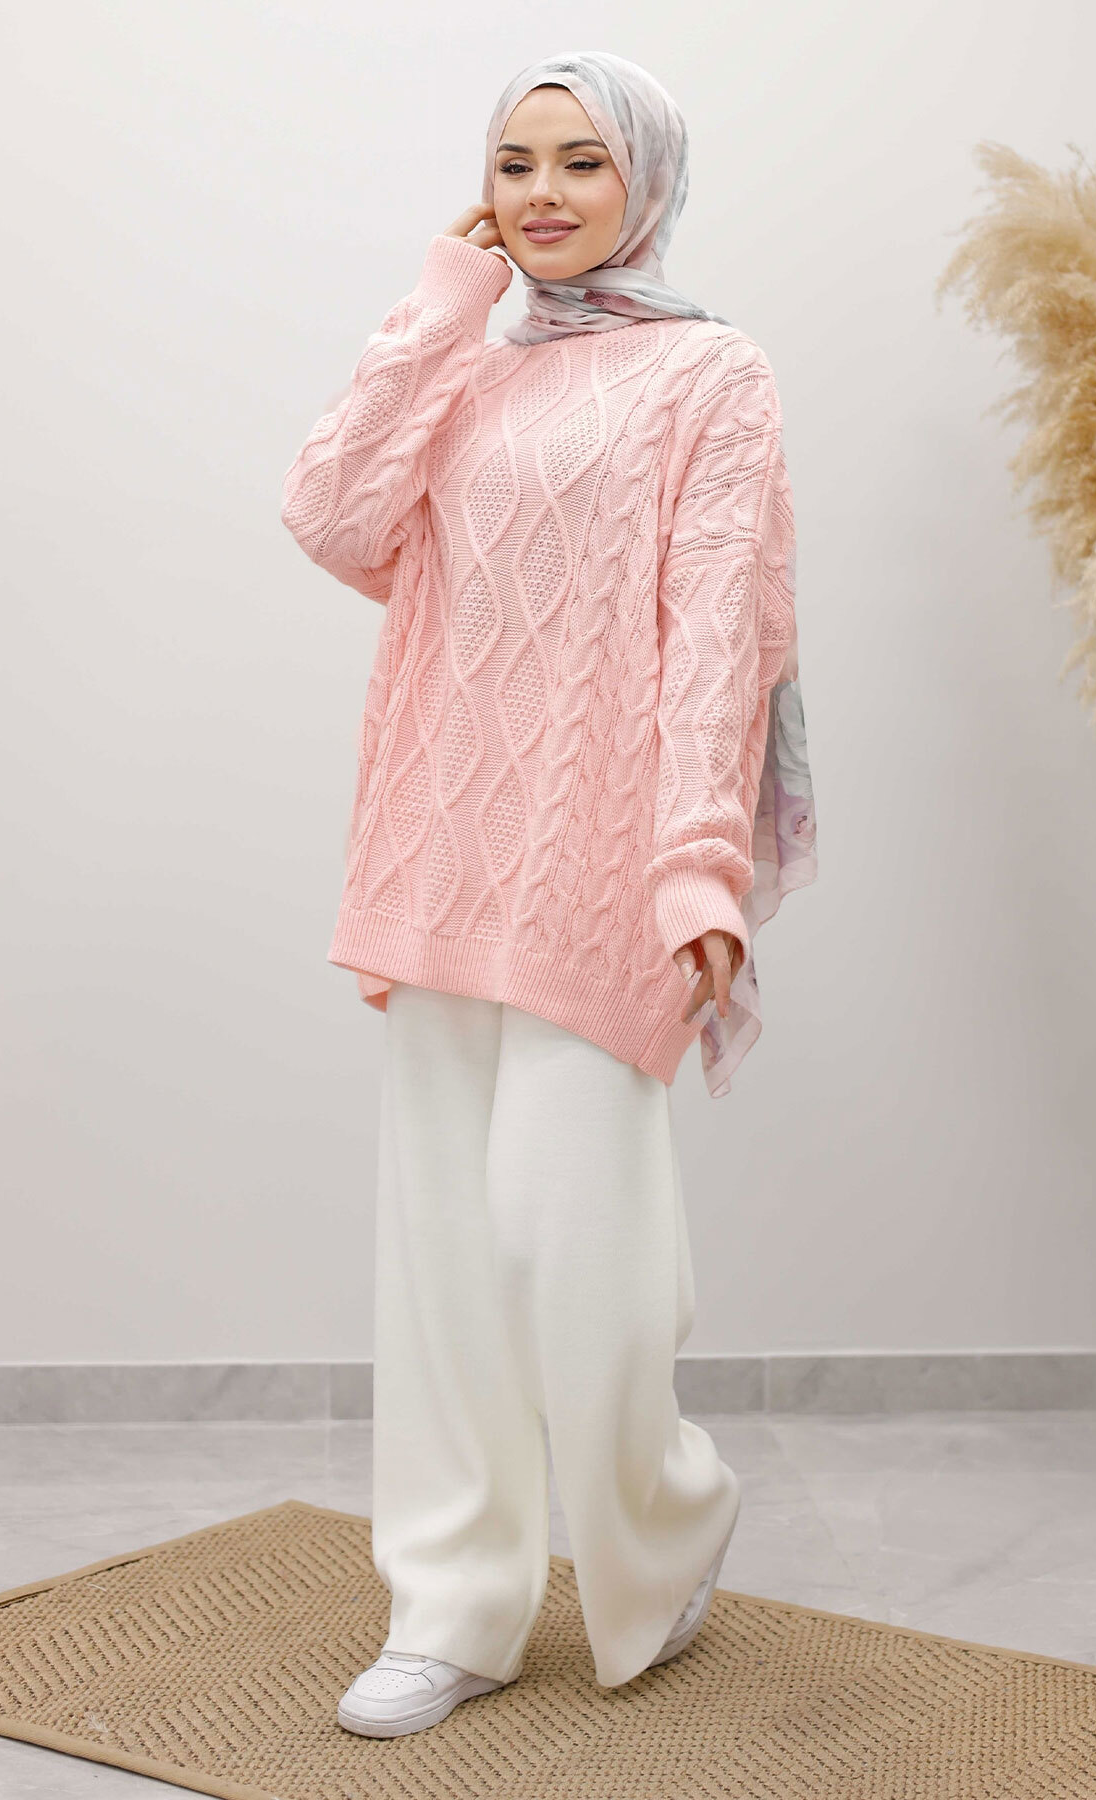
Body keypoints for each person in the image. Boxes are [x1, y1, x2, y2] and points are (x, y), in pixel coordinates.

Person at [280, 48, 817, 1740]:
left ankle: (664, 1512)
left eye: (582, 161)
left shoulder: (711, 373)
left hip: (605, 866)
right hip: (445, 846)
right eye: (515, 163)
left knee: (567, 1247)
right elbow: (332, 516)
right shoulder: (469, 362)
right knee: (443, 1258)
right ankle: (452, 1604)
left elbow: (720, 625)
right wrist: (442, 306)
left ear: (646, 177)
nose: (544, 194)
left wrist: (697, 863)